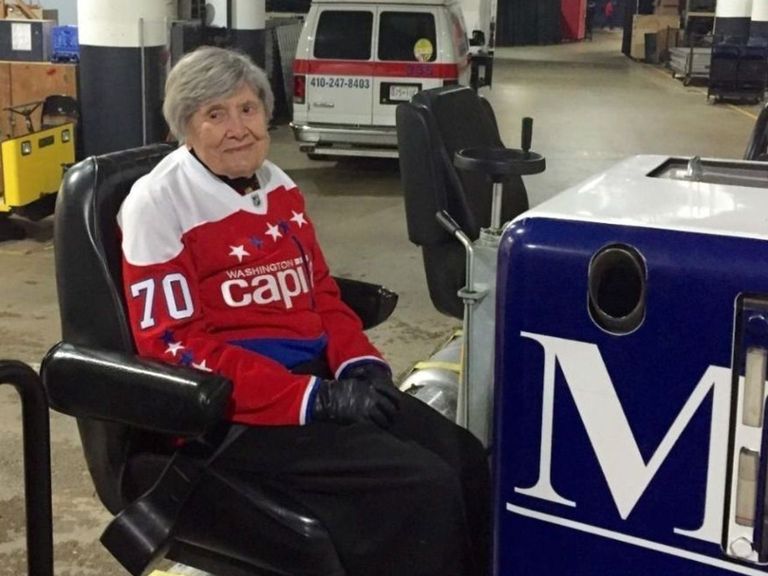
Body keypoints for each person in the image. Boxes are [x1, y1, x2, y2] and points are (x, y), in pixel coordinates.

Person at [117, 46, 490, 576]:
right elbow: (174, 346)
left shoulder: (278, 185)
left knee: (464, 457)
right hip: (234, 412)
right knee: (421, 487)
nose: (237, 128)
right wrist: (316, 398)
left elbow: (321, 296)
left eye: (247, 108)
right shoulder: (157, 204)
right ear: (186, 128)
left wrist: (360, 364)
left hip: (316, 383)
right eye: (214, 114)